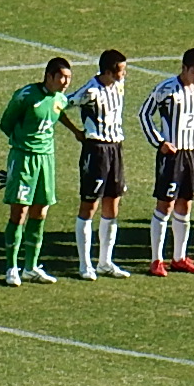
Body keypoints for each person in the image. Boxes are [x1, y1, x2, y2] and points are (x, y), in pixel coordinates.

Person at [0, 56, 73, 286]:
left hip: (46, 160)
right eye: (62, 77)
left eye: (69, 78)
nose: (66, 82)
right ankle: (12, 267)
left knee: (41, 212)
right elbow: (6, 123)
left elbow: (59, 113)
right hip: (24, 158)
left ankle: (31, 266)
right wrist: (22, 143)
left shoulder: (60, 99)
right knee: (19, 212)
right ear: (49, 76)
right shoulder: (26, 96)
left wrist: (77, 132)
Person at [139, 48, 194, 276]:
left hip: (192, 153)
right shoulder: (167, 89)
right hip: (172, 153)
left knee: (186, 203)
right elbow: (144, 114)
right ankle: (156, 260)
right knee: (165, 203)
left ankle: (179, 257)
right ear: (185, 68)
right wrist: (159, 142)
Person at [63, 49, 131, 280]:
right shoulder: (90, 91)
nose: (125, 74)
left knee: (113, 204)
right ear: (110, 71)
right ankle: (85, 264)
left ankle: (105, 261)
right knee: (89, 205)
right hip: (96, 150)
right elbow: (61, 105)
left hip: (116, 149)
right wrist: (76, 132)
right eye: (122, 70)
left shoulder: (118, 87)